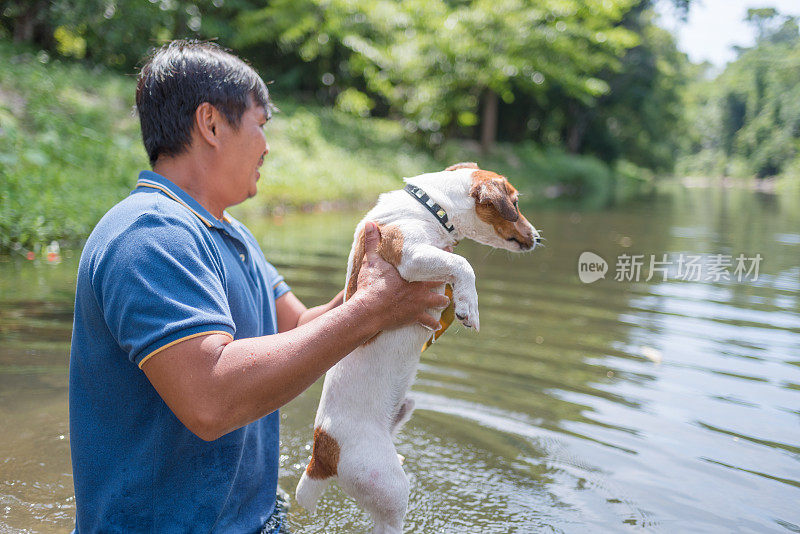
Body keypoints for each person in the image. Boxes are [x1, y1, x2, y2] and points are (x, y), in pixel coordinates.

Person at [68, 40, 449, 533]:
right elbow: (211, 398)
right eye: (260, 125)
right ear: (210, 124)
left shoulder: (229, 233)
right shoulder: (149, 235)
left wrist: (382, 285)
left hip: (255, 521)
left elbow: (303, 327)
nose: (267, 146)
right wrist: (371, 311)